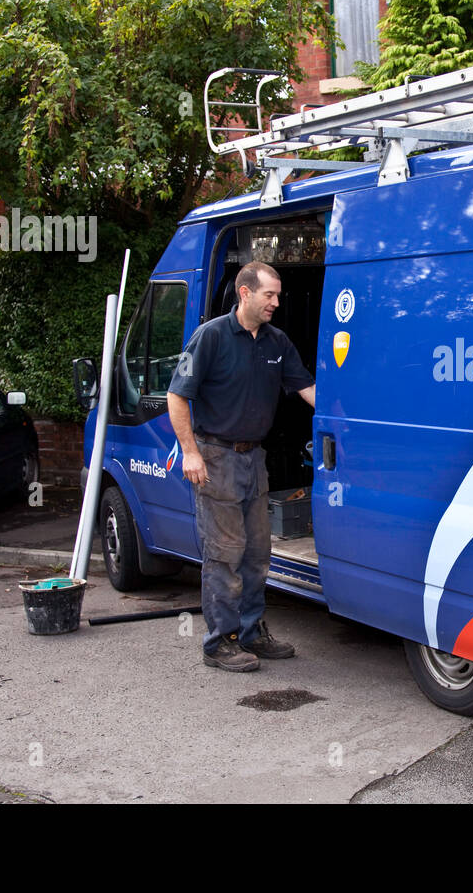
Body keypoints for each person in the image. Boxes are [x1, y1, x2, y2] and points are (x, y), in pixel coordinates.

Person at [167, 261, 316, 672]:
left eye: (279, 295)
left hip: (255, 459)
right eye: (270, 294)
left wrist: (348, 420)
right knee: (225, 554)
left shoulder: (277, 342)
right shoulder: (210, 337)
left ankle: (251, 633)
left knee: (256, 553)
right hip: (215, 458)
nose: (276, 302)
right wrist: (190, 451)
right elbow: (177, 397)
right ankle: (220, 642)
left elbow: (306, 388)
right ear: (245, 293)